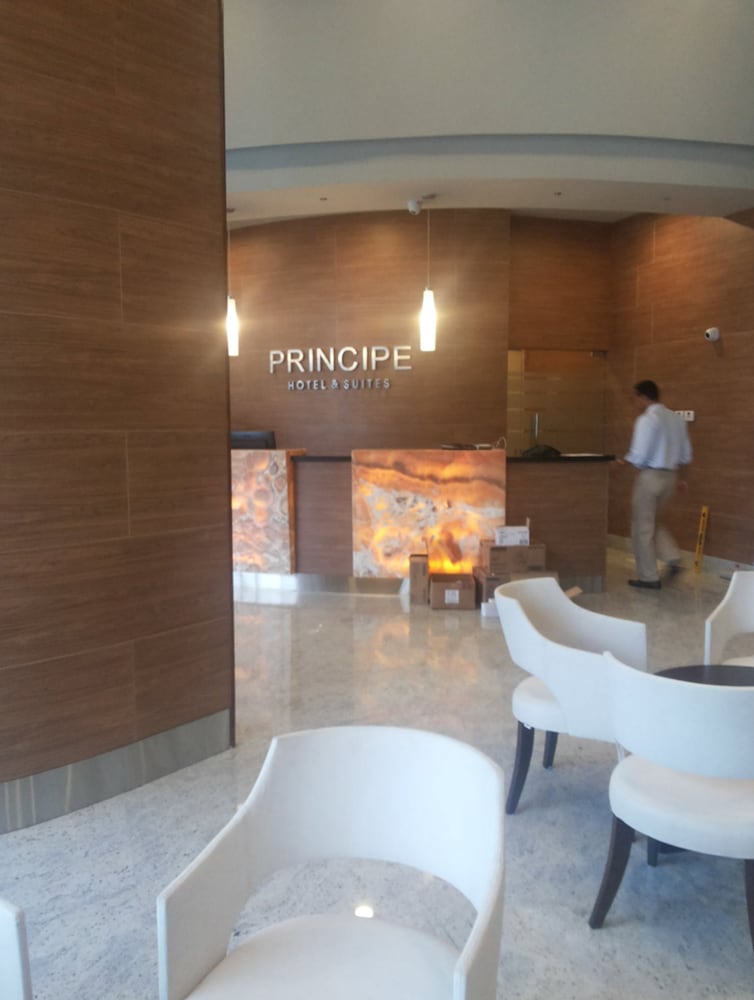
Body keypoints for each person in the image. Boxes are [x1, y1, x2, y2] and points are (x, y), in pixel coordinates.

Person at [619, 379, 692, 590]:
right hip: (671, 477)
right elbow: (686, 455)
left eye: (635, 398)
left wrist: (620, 464)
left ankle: (648, 577)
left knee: (641, 528)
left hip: (650, 477)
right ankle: (672, 556)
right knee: (654, 521)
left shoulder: (647, 419)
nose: (635, 403)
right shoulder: (676, 419)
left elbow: (639, 454)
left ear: (643, 396)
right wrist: (682, 479)